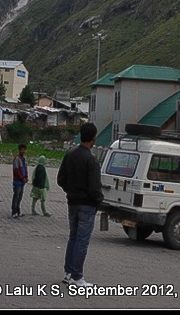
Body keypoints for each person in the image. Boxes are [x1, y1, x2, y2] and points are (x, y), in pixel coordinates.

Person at [57, 122, 103, 286]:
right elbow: (94, 188)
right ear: (93, 138)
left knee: (73, 238)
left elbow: (60, 179)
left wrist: (70, 191)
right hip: (87, 205)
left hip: (72, 202)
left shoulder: (70, 155)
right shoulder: (91, 160)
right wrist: (99, 201)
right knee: (82, 241)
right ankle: (77, 276)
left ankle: (68, 272)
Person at [11, 143, 29, 218]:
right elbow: (16, 170)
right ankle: (14, 211)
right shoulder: (16, 159)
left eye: (24, 150)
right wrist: (22, 178)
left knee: (20, 197)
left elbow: (25, 168)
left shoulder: (24, 159)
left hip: (22, 181)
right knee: (16, 196)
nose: (23, 151)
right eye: (22, 150)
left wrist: (26, 177)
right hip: (17, 181)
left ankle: (18, 211)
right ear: (19, 150)